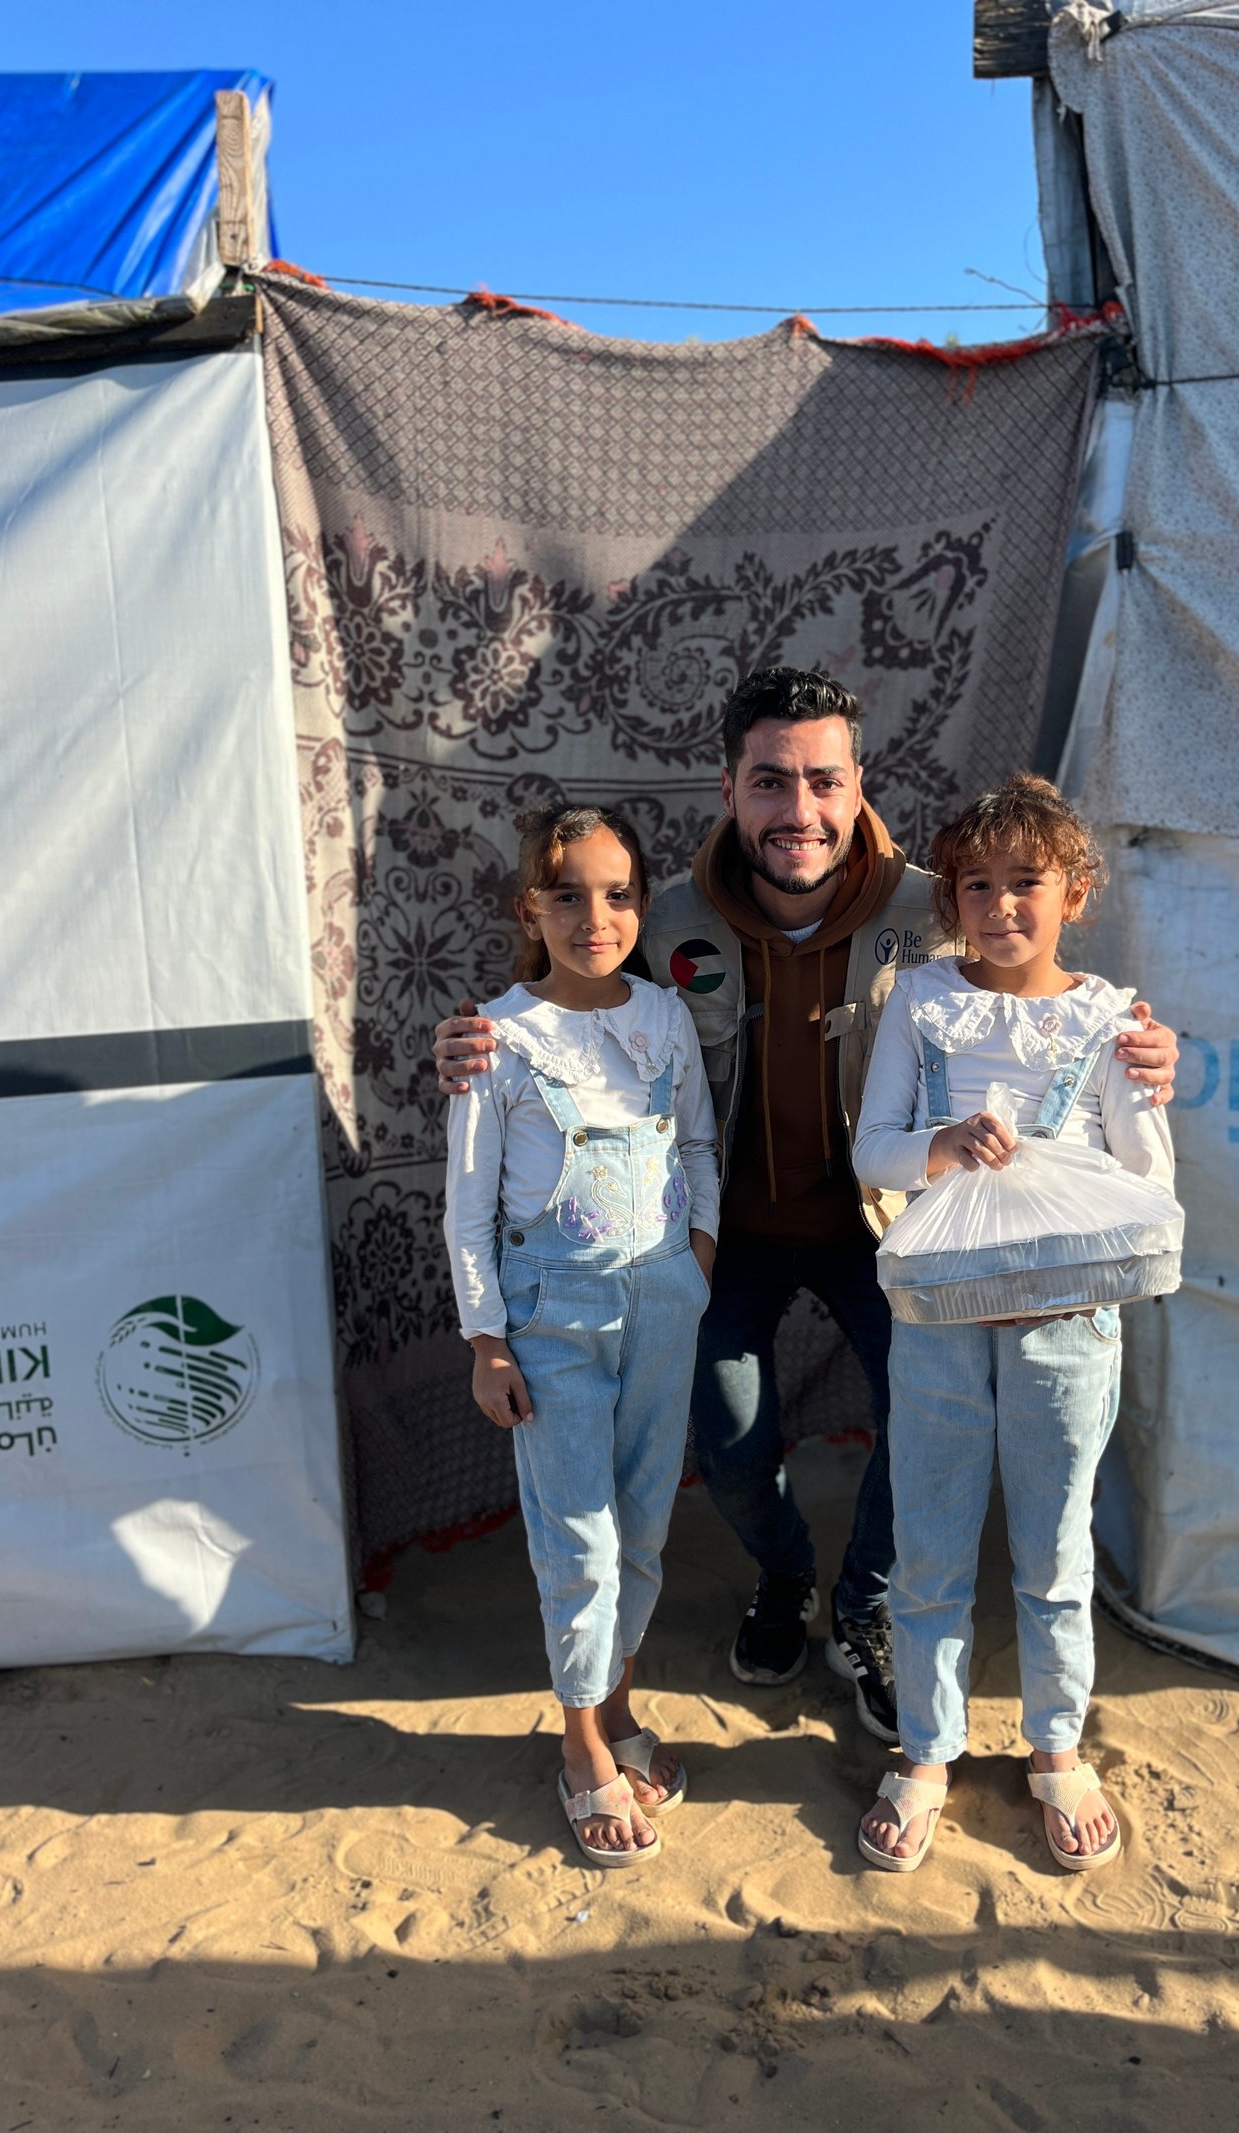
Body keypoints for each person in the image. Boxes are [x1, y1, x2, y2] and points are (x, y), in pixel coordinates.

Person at [434, 668, 1180, 1747]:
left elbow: (1039, 985)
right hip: (714, 1240)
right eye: (771, 782)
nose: (800, 811)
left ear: (856, 782)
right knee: (729, 1441)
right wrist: (472, 1042)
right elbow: (570, 1006)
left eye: (822, 781)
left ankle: (865, 1602)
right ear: (730, 787)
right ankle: (784, 1573)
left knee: (915, 1423)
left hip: (893, 1236)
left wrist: (1139, 1045)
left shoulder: (940, 901)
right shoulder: (661, 915)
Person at [851, 772, 1175, 1874]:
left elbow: (1144, 1173)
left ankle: (1054, 1747)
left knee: (1053, 1545)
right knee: (929, 1542)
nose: (1000, 907)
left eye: (1026, 882)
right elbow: (874, 1149)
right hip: (941, 1313)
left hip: (1068, 1322)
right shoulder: (922, 1001)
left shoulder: (1111, 1018)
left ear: (1073, 892)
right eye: (975, 885)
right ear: (950, 900)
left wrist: (1142, 1097)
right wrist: (940, 1147)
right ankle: (929, 1746)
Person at [443, 803, 719, 1869]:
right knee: (581, 1542)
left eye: (615, 894)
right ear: (531, 907)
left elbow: (693, 1138)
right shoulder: (499, 1037)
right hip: (551, 1318)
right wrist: (487, 1343)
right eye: (567, 894)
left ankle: (619, 1710)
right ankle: (580, 1750)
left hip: (662, 1302)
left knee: (642, 1524)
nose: (593, 915)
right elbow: (469, 1204)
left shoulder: (663, 1016)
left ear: (641, 906)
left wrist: (695, 1255)